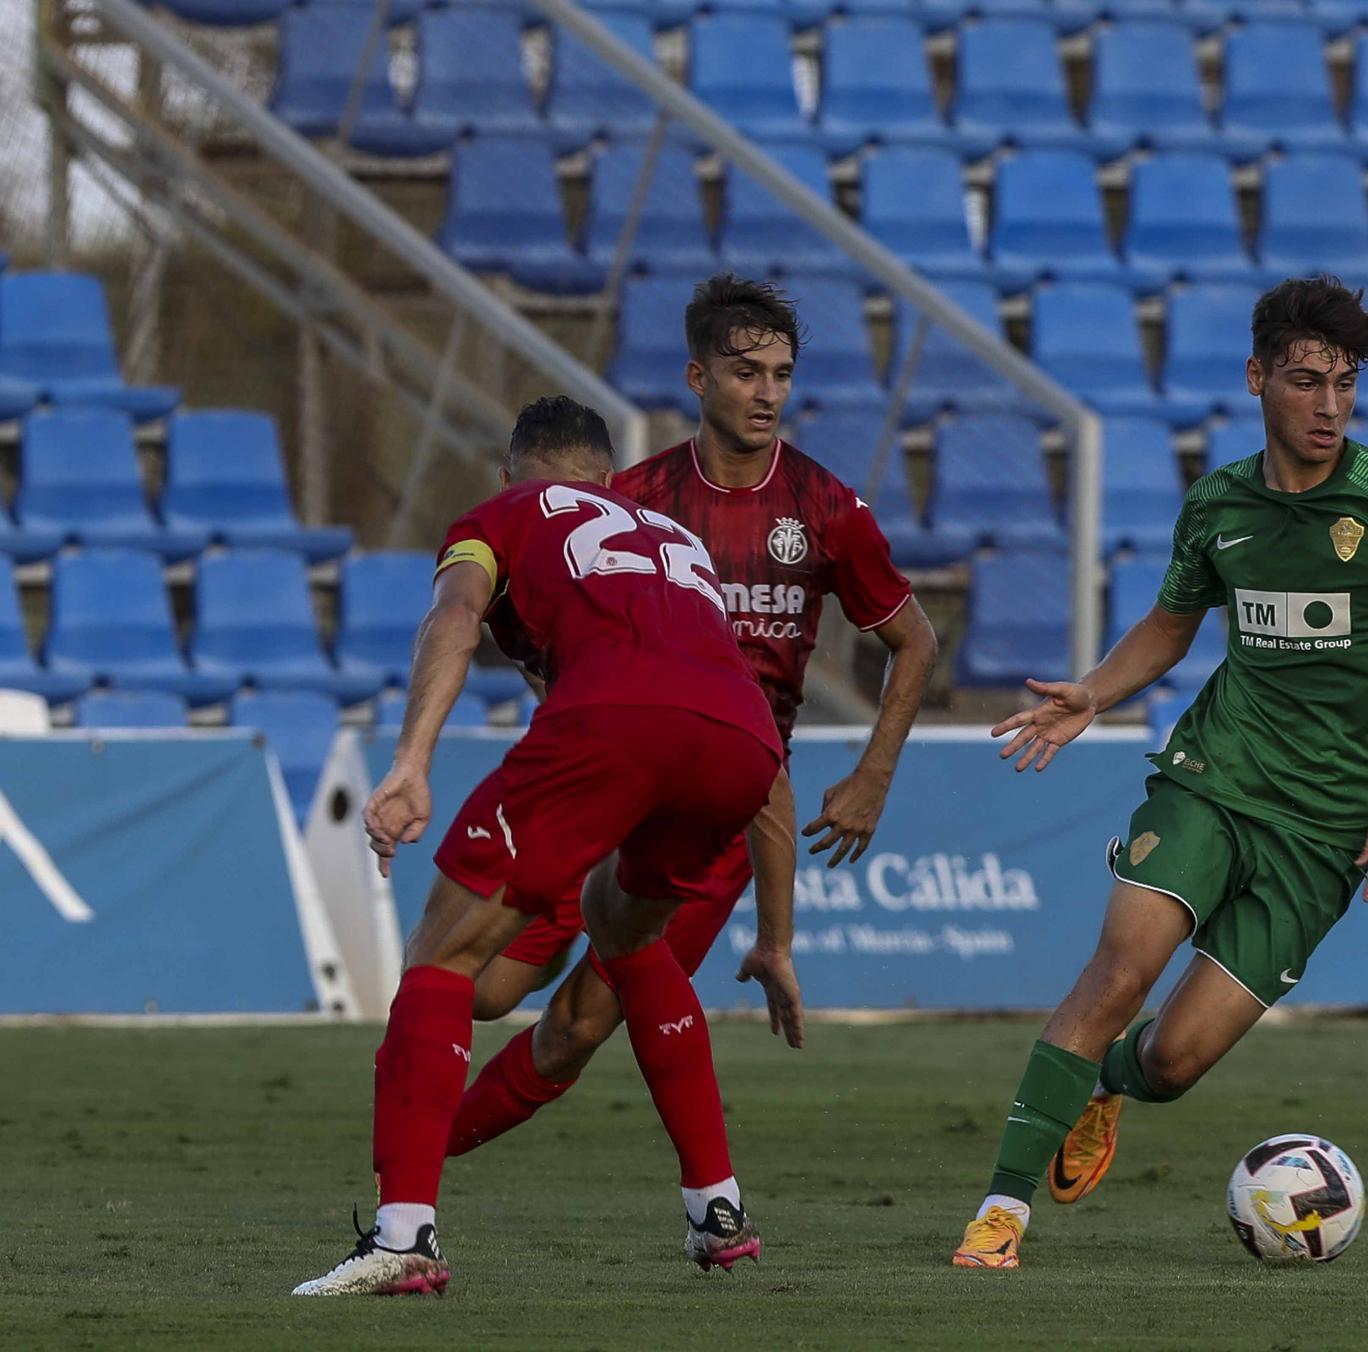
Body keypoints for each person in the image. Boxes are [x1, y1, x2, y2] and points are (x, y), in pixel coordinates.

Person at [951, 276, 1368, 1270]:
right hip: (1212, 777)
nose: (1327, 407)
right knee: (1117, 972)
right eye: (1303, 381)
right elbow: (1172, 618)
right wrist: (1096, 690)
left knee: (1175, 1056)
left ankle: (1105, 1081)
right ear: (1256, 379)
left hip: (1325, 832)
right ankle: (1000, 1210)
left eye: (1342, 385)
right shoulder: (1217, 505)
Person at [293, 396, 784, 1296]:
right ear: (607, 477)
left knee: (439, 955)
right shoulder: (676, 539)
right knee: (623, 932)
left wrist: (410, 763)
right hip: (744, 740)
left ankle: (403, 1235)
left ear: (512, 471)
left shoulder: (502, 516)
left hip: (619, 719)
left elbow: (454, 616)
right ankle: (717, 1210)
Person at [444, 274, 936, 1157]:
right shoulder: (629, 498)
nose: (768, 392)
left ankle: (416, 1163)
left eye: (782, 374)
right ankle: (413, 1154)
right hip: (613, 776)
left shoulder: (827, 510)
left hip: (724, 804)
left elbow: (916, 640)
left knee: (577, 1029)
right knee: (479, 990)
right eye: (747, 371)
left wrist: (873, 775)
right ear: (698, 378)